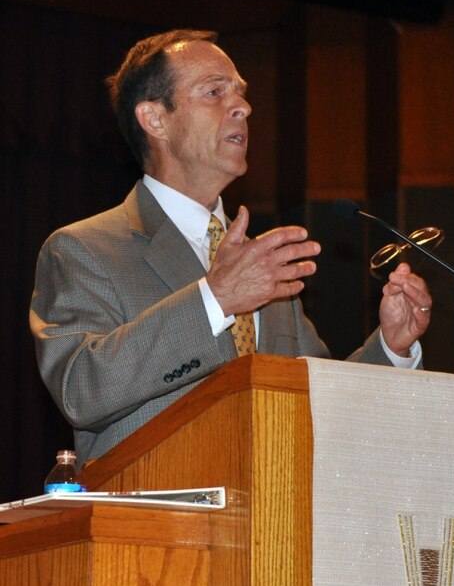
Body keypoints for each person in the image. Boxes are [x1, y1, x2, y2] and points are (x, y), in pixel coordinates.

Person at [30, 29, 432, 465]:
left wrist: (392, 349)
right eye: (214, 91)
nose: (243, 107)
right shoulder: (84, 249)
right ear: (155, 119)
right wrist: (215, 298)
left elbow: (320, 401)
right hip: (153, 524)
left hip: (273, 517)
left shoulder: (258, 264)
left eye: (240, 93)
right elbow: (81, 390)